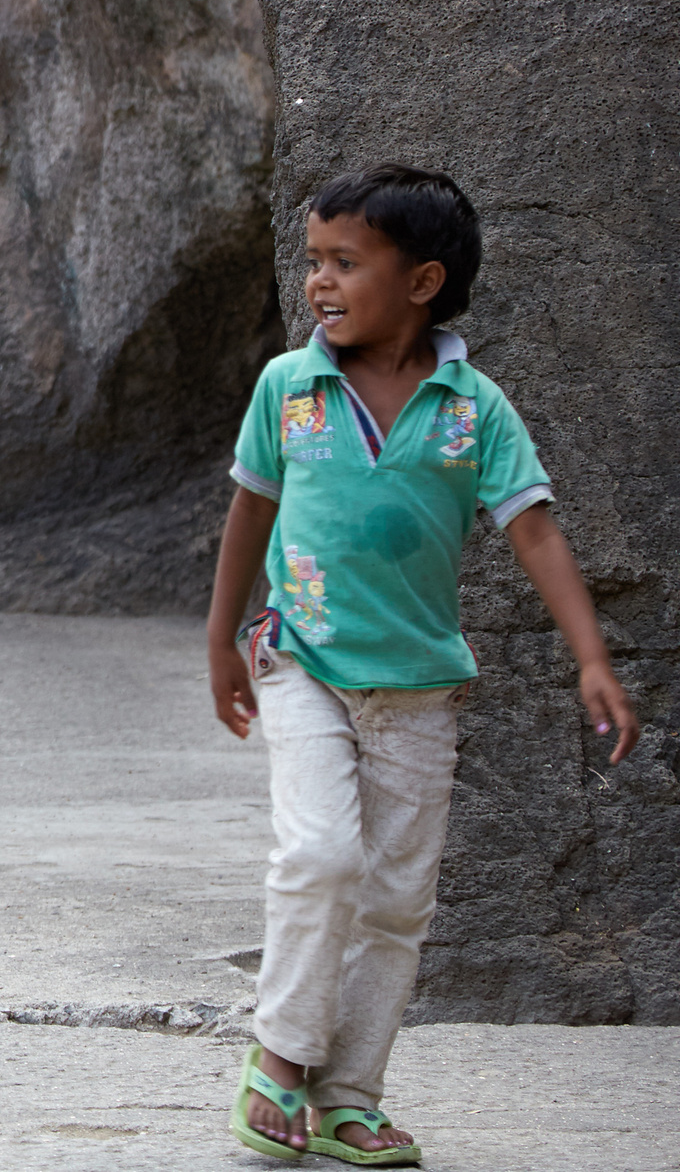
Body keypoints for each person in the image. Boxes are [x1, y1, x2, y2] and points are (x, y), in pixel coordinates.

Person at [209, 165, 637, 1165]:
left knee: (398, 902)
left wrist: (590, 656)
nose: (318, 281)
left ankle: (347, 1094)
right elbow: (249, 511)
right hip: (300, 662)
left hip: (419, 689)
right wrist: (220, 639)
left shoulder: (471, 408)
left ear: (422, 281)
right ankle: (278, 1054)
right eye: (313, 261)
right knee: (320, 857)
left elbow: (532, 529)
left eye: (344, 262)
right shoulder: (289, 386)